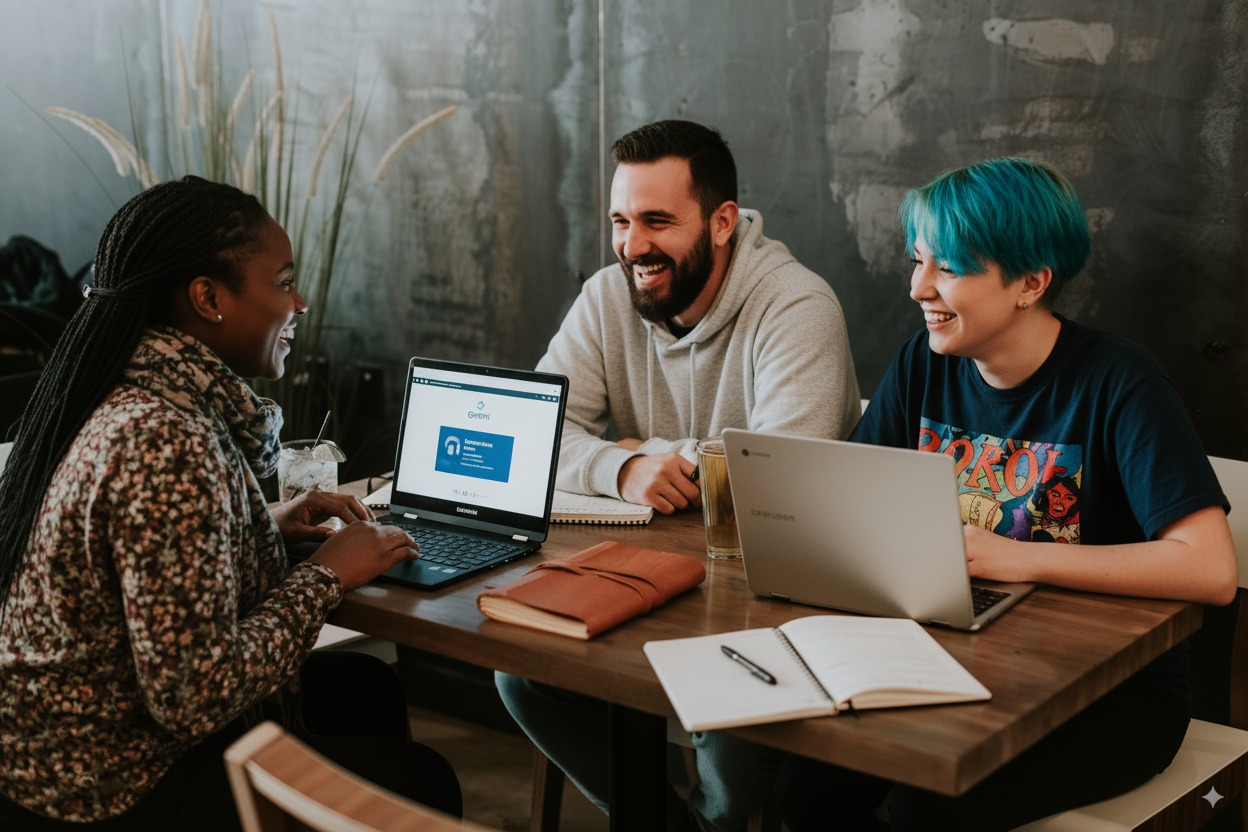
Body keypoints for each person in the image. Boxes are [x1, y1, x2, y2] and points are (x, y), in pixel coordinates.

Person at [773, 156, 1237, 831]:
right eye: (918, 261)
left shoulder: (1121, 384)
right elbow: (852, 508)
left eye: (949, 269)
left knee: (931, 805)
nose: (918, 287)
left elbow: (1211, 569)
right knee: (804, 792)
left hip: (1110, 695)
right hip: (958, 664)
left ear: (1030, 282)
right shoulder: (920, 366)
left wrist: (1017, 558)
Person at [0, 177, 462, 830]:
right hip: (104, 791)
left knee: (366, 690)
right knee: (425, 781)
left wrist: (256, 531)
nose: (299, 302)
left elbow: (127, 559)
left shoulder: (120, 384)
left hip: (45, 765)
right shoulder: (165, 436)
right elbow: (193, 699)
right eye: (282, 282)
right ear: (208, 298)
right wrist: (327, 575)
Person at [496, 119, 861, 830]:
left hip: (771, 600)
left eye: (658, 221)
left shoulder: (796, 307)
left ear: (723, 222)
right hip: (648, 578)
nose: (634, 245)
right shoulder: (609, 296)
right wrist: (622, 461)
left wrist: (655, 445)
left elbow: (773, 488)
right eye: (621, 221)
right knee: (526, 673)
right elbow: (530, 434)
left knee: (725, 718)